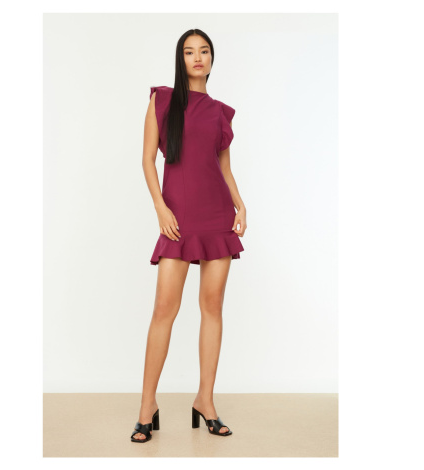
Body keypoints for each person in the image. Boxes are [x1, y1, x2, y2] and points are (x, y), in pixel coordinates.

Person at [131, 28, 247, 443]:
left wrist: (240, 205)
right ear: (180, 60)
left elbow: (223, 168)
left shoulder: (220, 113)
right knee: (164, 309)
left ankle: (205, 401)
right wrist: (160, 208)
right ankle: (147, 405)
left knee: (212, 307)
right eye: (189, 51)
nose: (197, 57)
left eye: (204, 51)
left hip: (217, 215)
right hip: (177, 218)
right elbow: (147, 159)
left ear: (212, 59)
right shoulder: (162, 101)